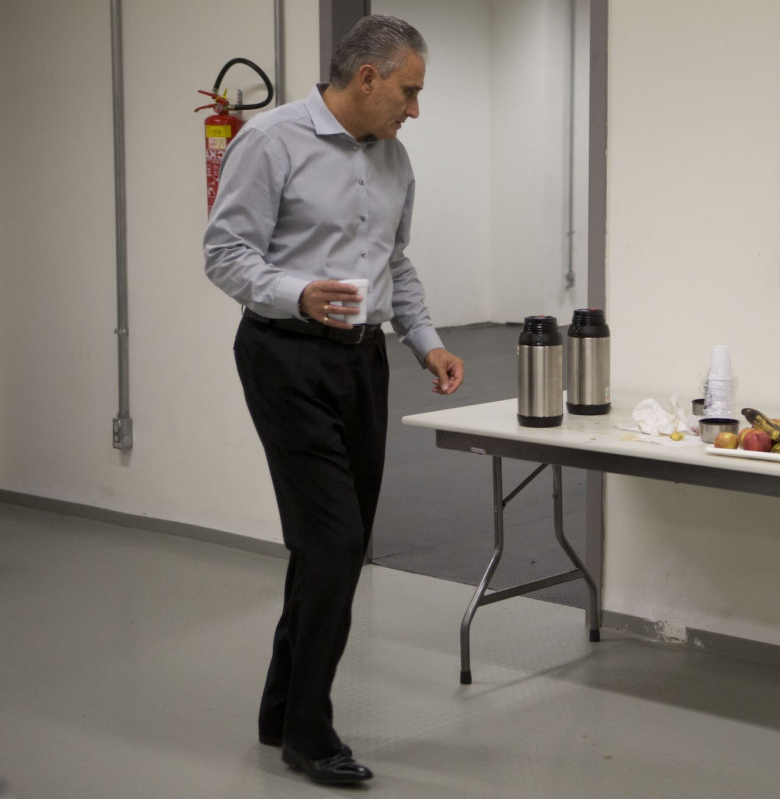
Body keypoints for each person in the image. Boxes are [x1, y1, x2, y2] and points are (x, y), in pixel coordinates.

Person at [204, 15, 463, 786]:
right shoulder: (271, 140)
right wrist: (297, 294)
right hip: (283, 358)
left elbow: (397, 262)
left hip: (362, 365)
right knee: (338, 541)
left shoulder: (396, 161)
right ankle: (309, 732)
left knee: (326, 544)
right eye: (409, 92)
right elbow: (224, 253)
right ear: (368, 78)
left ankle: (279, 705)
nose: (415, 109)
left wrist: (428, 341)